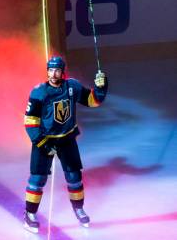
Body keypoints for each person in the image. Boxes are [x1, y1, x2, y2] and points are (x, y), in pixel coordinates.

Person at [23, 56, 108, 233]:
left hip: (67, 139)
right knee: (37, 180)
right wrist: (42, 143)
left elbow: (92, 101)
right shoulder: (39, 92)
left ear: (63, 72)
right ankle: (29, 215)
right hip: (44, 140)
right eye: (50, 70)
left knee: (74, 178)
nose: (53, 74)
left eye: (57, 70)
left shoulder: (72, 86)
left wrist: (101, 88)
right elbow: (30, 121)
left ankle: (79, 209)